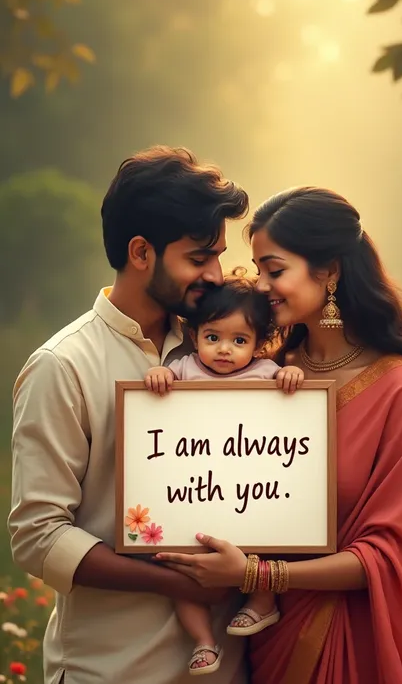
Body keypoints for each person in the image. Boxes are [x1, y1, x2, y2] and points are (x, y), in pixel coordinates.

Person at [153, 187, 402, 684]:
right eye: (257, 270)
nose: (260, 286)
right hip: (260, 642)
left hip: (350, 641)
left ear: (330, 271)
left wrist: (257, 576)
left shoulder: (401, 390)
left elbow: (388, 559)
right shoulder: (266, 375)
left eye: (274, 270)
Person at [8, 146, 251, 684]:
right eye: (198, 258)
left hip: (227, 673)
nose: (216, 274)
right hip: (111, 669)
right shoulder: (63, 365)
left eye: (218, 256)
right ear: (141, 252)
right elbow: (38, 535)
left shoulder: (220, 348)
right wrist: (176, 582)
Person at [145, 272, 304, 675]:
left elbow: (294, 401)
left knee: (267, 538)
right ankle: (204, 642)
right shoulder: (183, 368)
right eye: (213, 337)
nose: (224, 350)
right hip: (193, 492)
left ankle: (263, 602)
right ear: (194, 333)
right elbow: (156, 396)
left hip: (246, 490)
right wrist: (159, 376)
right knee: (178, 567)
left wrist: (292, 375)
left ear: (258, 344)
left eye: (240, 341)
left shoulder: (265, 373)